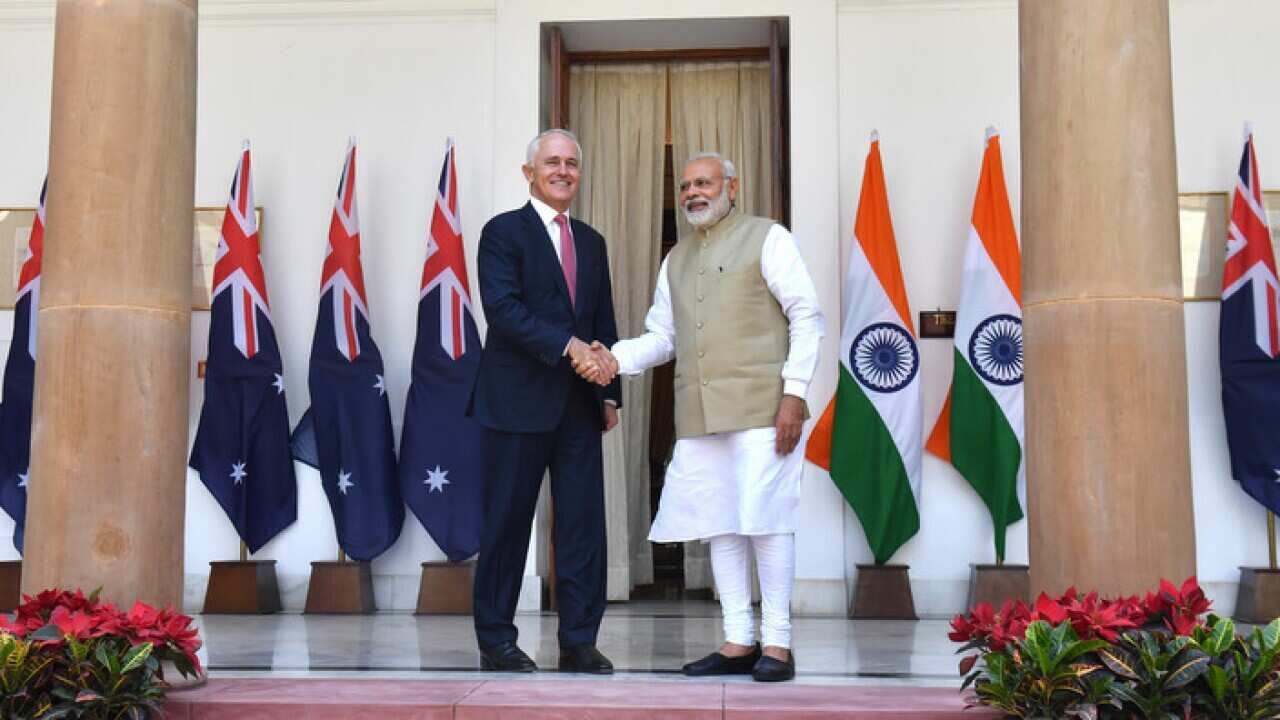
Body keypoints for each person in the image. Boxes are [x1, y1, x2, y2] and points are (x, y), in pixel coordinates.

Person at [579, 152, 824, 682]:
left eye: (704, 183)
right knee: (719, 524)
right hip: (699, 414)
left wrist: (794, 395)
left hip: (764, 409)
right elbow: (662, 337)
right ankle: (738, 641)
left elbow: (806, 316)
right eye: (687, 185)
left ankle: (778, 644)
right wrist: (613, 358)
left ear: (731, 187)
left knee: (768, 522)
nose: (693, 192)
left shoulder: (769, 238)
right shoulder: (676, 258)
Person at [468, 128, 621, 674]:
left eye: (571, 163)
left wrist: (610, 392)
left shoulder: (592, 242)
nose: (563, 171)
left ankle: (579, 641)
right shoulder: (502, 232)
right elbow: (503, 311)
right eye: (552, 162)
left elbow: (602, 320)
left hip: (580, 405)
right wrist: (568, 346)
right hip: (516, 403)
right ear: (529, 172)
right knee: (507, 526)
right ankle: (496, 640)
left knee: (583, 527)